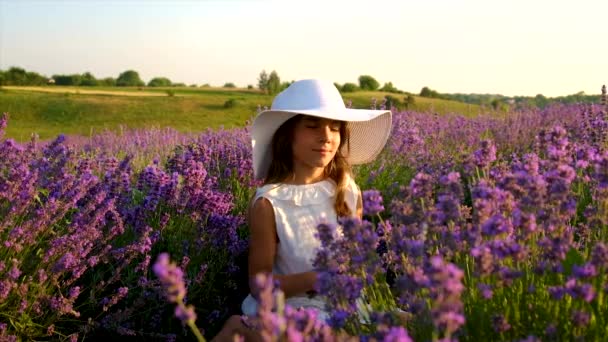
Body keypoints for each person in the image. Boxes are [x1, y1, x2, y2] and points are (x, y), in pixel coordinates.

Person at [211, 79, 392, 341]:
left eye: (335, 128)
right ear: (287, 135)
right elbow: (259, 286)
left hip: (347, 306)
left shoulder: (348, 190)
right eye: (312, 126)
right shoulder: (269, 203)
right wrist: (315, 279)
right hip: (296, 310)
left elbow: (358, 261)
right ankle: (240, 330)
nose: (326, 137)